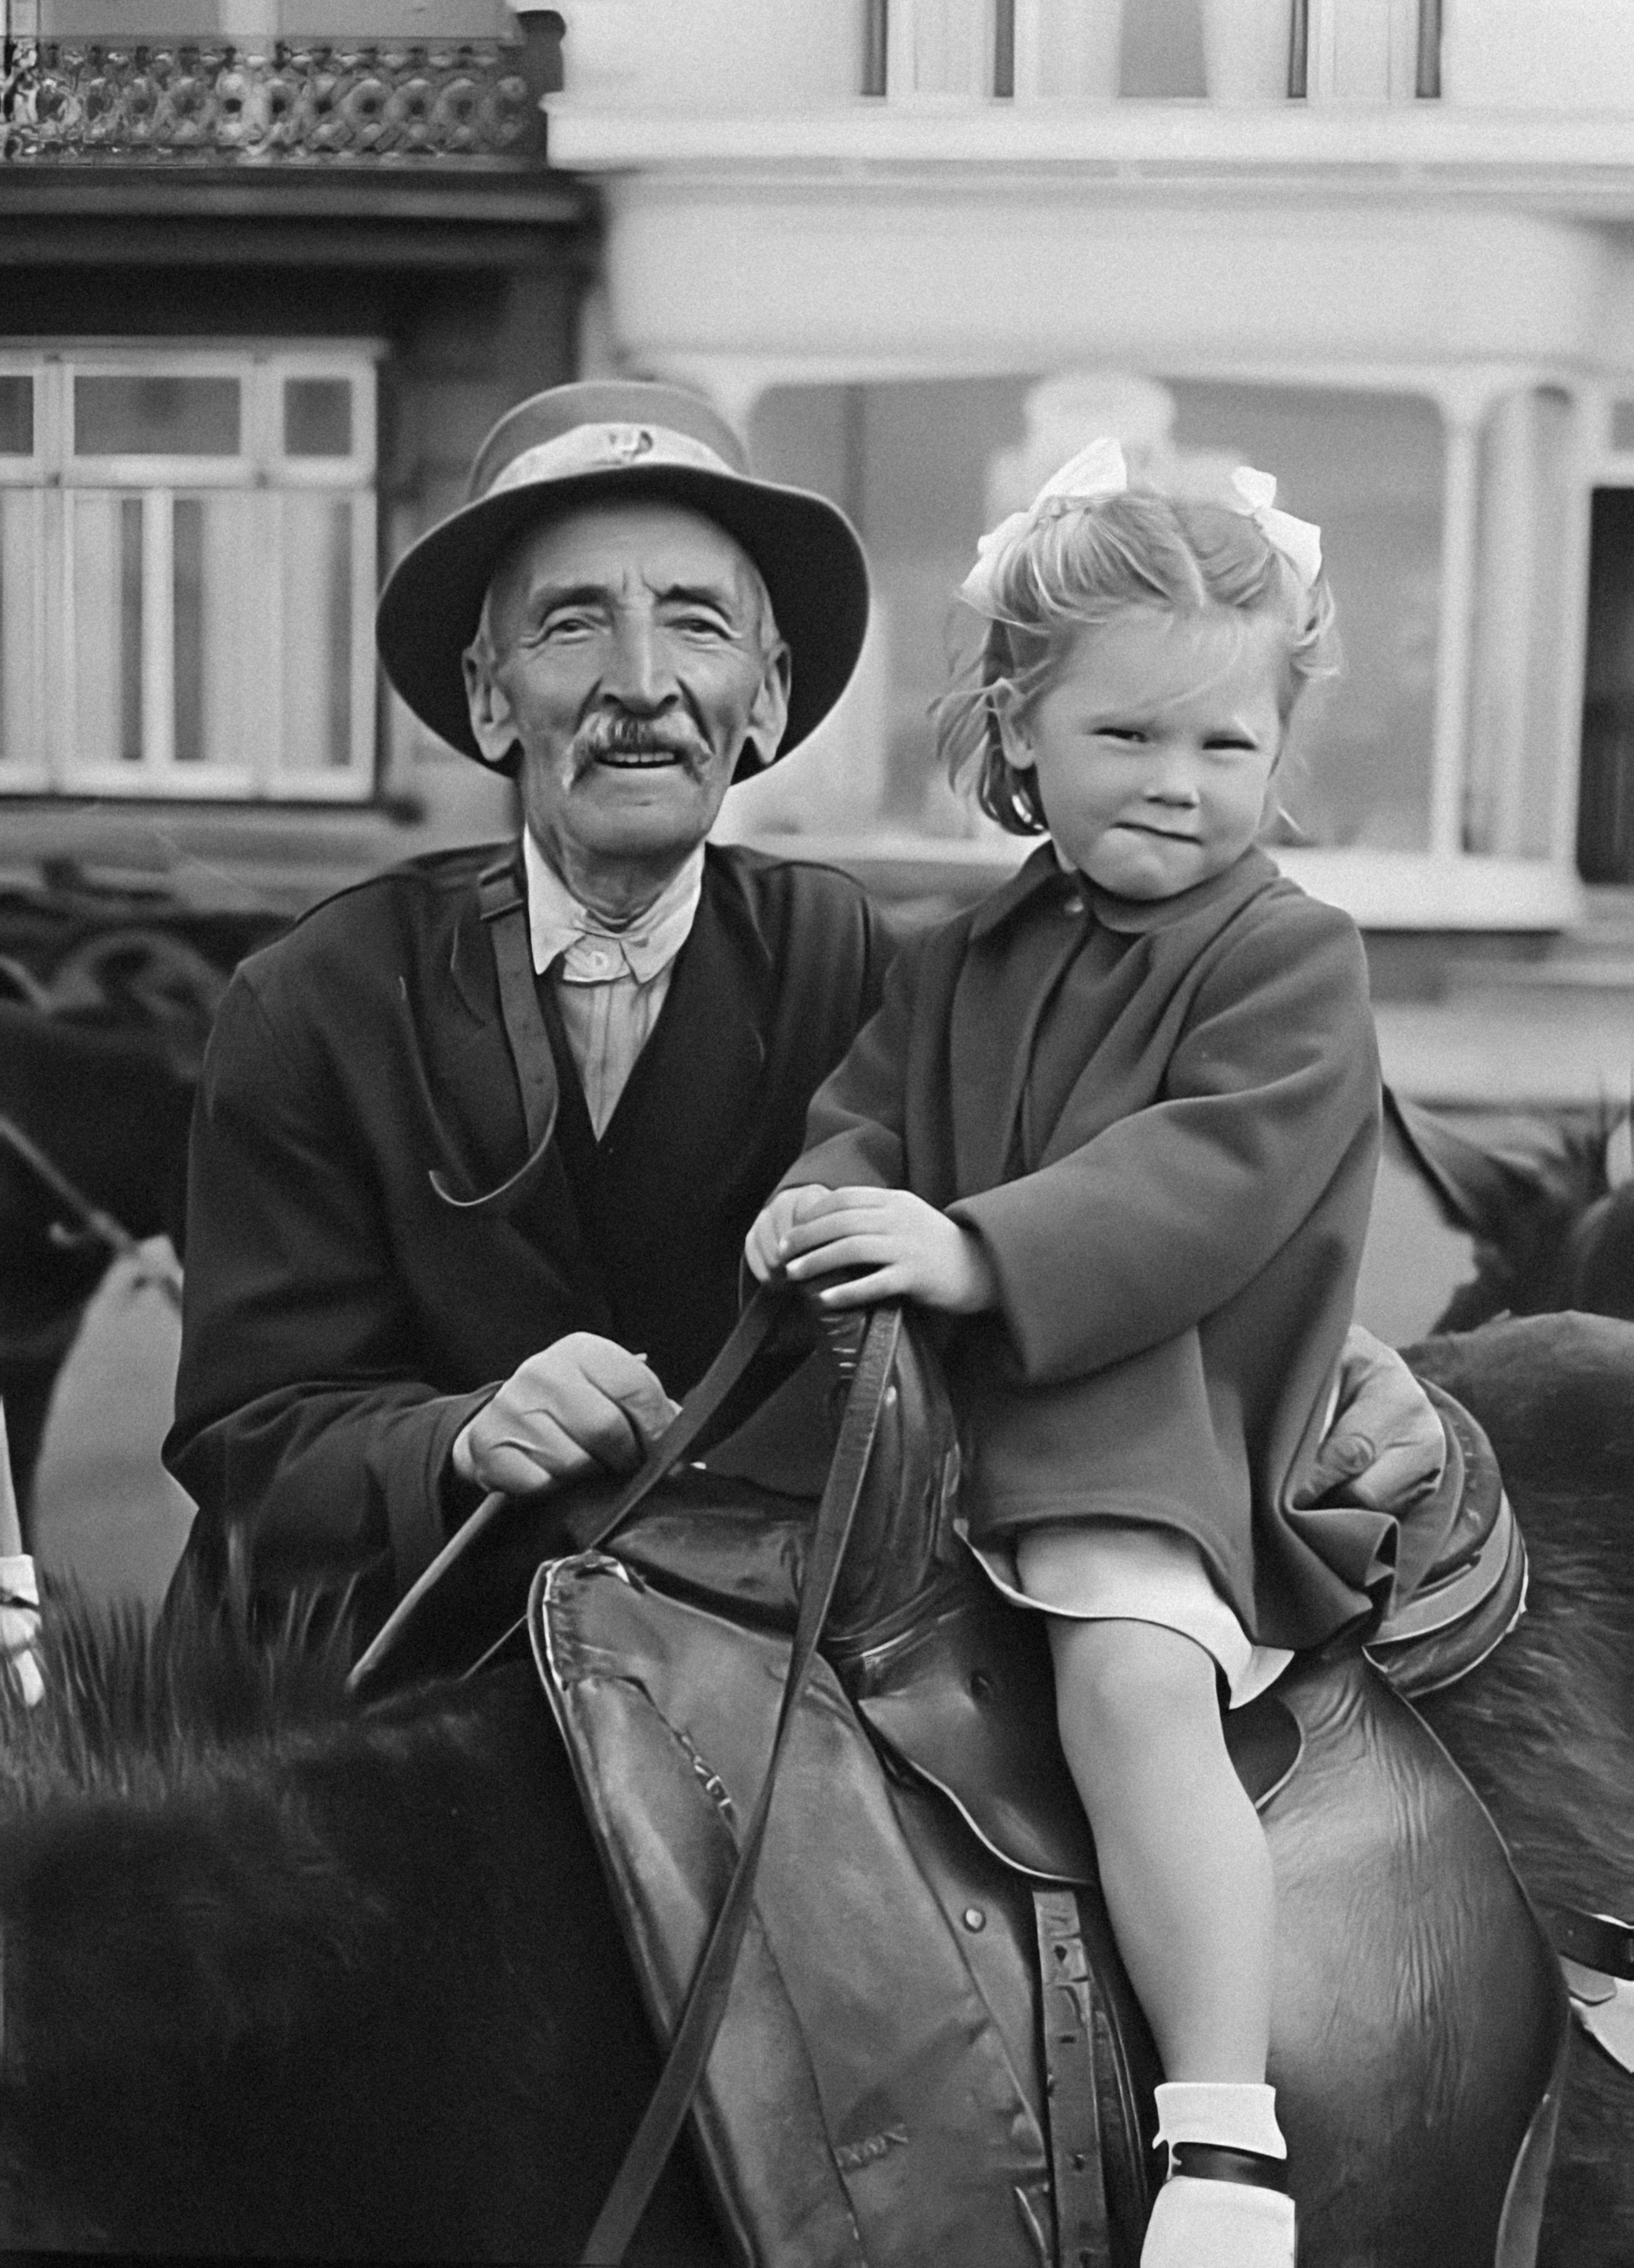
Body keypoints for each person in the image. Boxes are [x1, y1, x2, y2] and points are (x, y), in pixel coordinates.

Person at [165, 380, 1441, 1668]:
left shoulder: (883, 974)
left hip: (730, 1681)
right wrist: (455, 1437)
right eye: (571, 626)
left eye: (697, 625)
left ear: (766, 698)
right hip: (359, 1689)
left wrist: (1329, 1368)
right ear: (491, 698)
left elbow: (1117, 1213)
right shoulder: (313, 1003)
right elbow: (247, 1439)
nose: (643, 684)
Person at [746, 439, 1404, 2268]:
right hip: (945, 1428)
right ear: (1020, 731)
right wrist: (822, 1196)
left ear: (1282, 754)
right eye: (1127, 738)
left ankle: (1219, 2129)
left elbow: (1209, 1178)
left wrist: (973, 1246)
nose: (1180, 787)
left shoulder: (1291, 956)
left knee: (1125, 1679)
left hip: (1157, 1421)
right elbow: (872, 1113)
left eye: (1227, 747)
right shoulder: (967, 951)